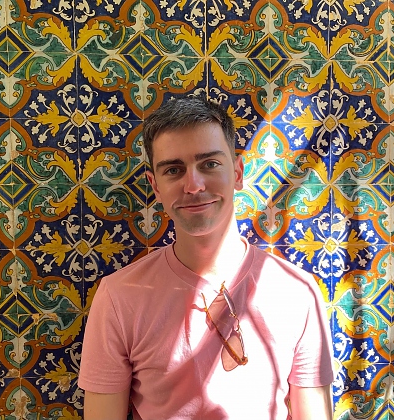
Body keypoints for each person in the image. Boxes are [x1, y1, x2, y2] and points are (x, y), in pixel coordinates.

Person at [78, 96, 334, 419]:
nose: (194, 185)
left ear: (238, 172)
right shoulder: (118, 298)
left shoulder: (299, 295)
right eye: (174, 170)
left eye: (209, 164)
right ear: (155, 187)